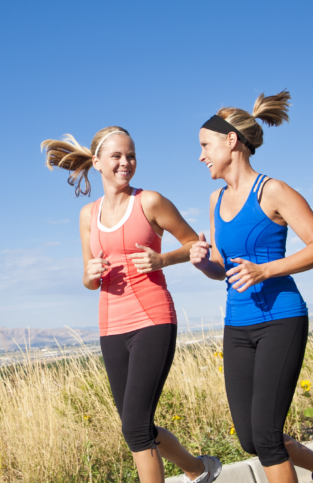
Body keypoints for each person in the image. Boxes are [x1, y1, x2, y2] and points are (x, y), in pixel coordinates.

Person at [43, 127, 222, 483]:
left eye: (131, 155)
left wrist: (162, 260)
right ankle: (199, 469)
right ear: (97, 163)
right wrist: (91, 274)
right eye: (117, 156)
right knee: (135, 424)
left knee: (136, 428)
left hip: (153, 318)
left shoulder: (150, 202)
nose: (126, 163)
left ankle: (198, 469)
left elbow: (194, 245)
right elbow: (87, 279)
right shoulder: (86, 216)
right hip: (111, 325)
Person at [189, 91, 313, 483]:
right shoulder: (215, 198)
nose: (201, 156)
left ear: (231, 142)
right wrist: (203, 262)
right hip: (237, 324)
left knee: (267, 437)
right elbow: (225, 268)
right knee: (250, 438)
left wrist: (266, 270)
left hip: (281, 318)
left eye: (205, 145)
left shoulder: (272, 191)